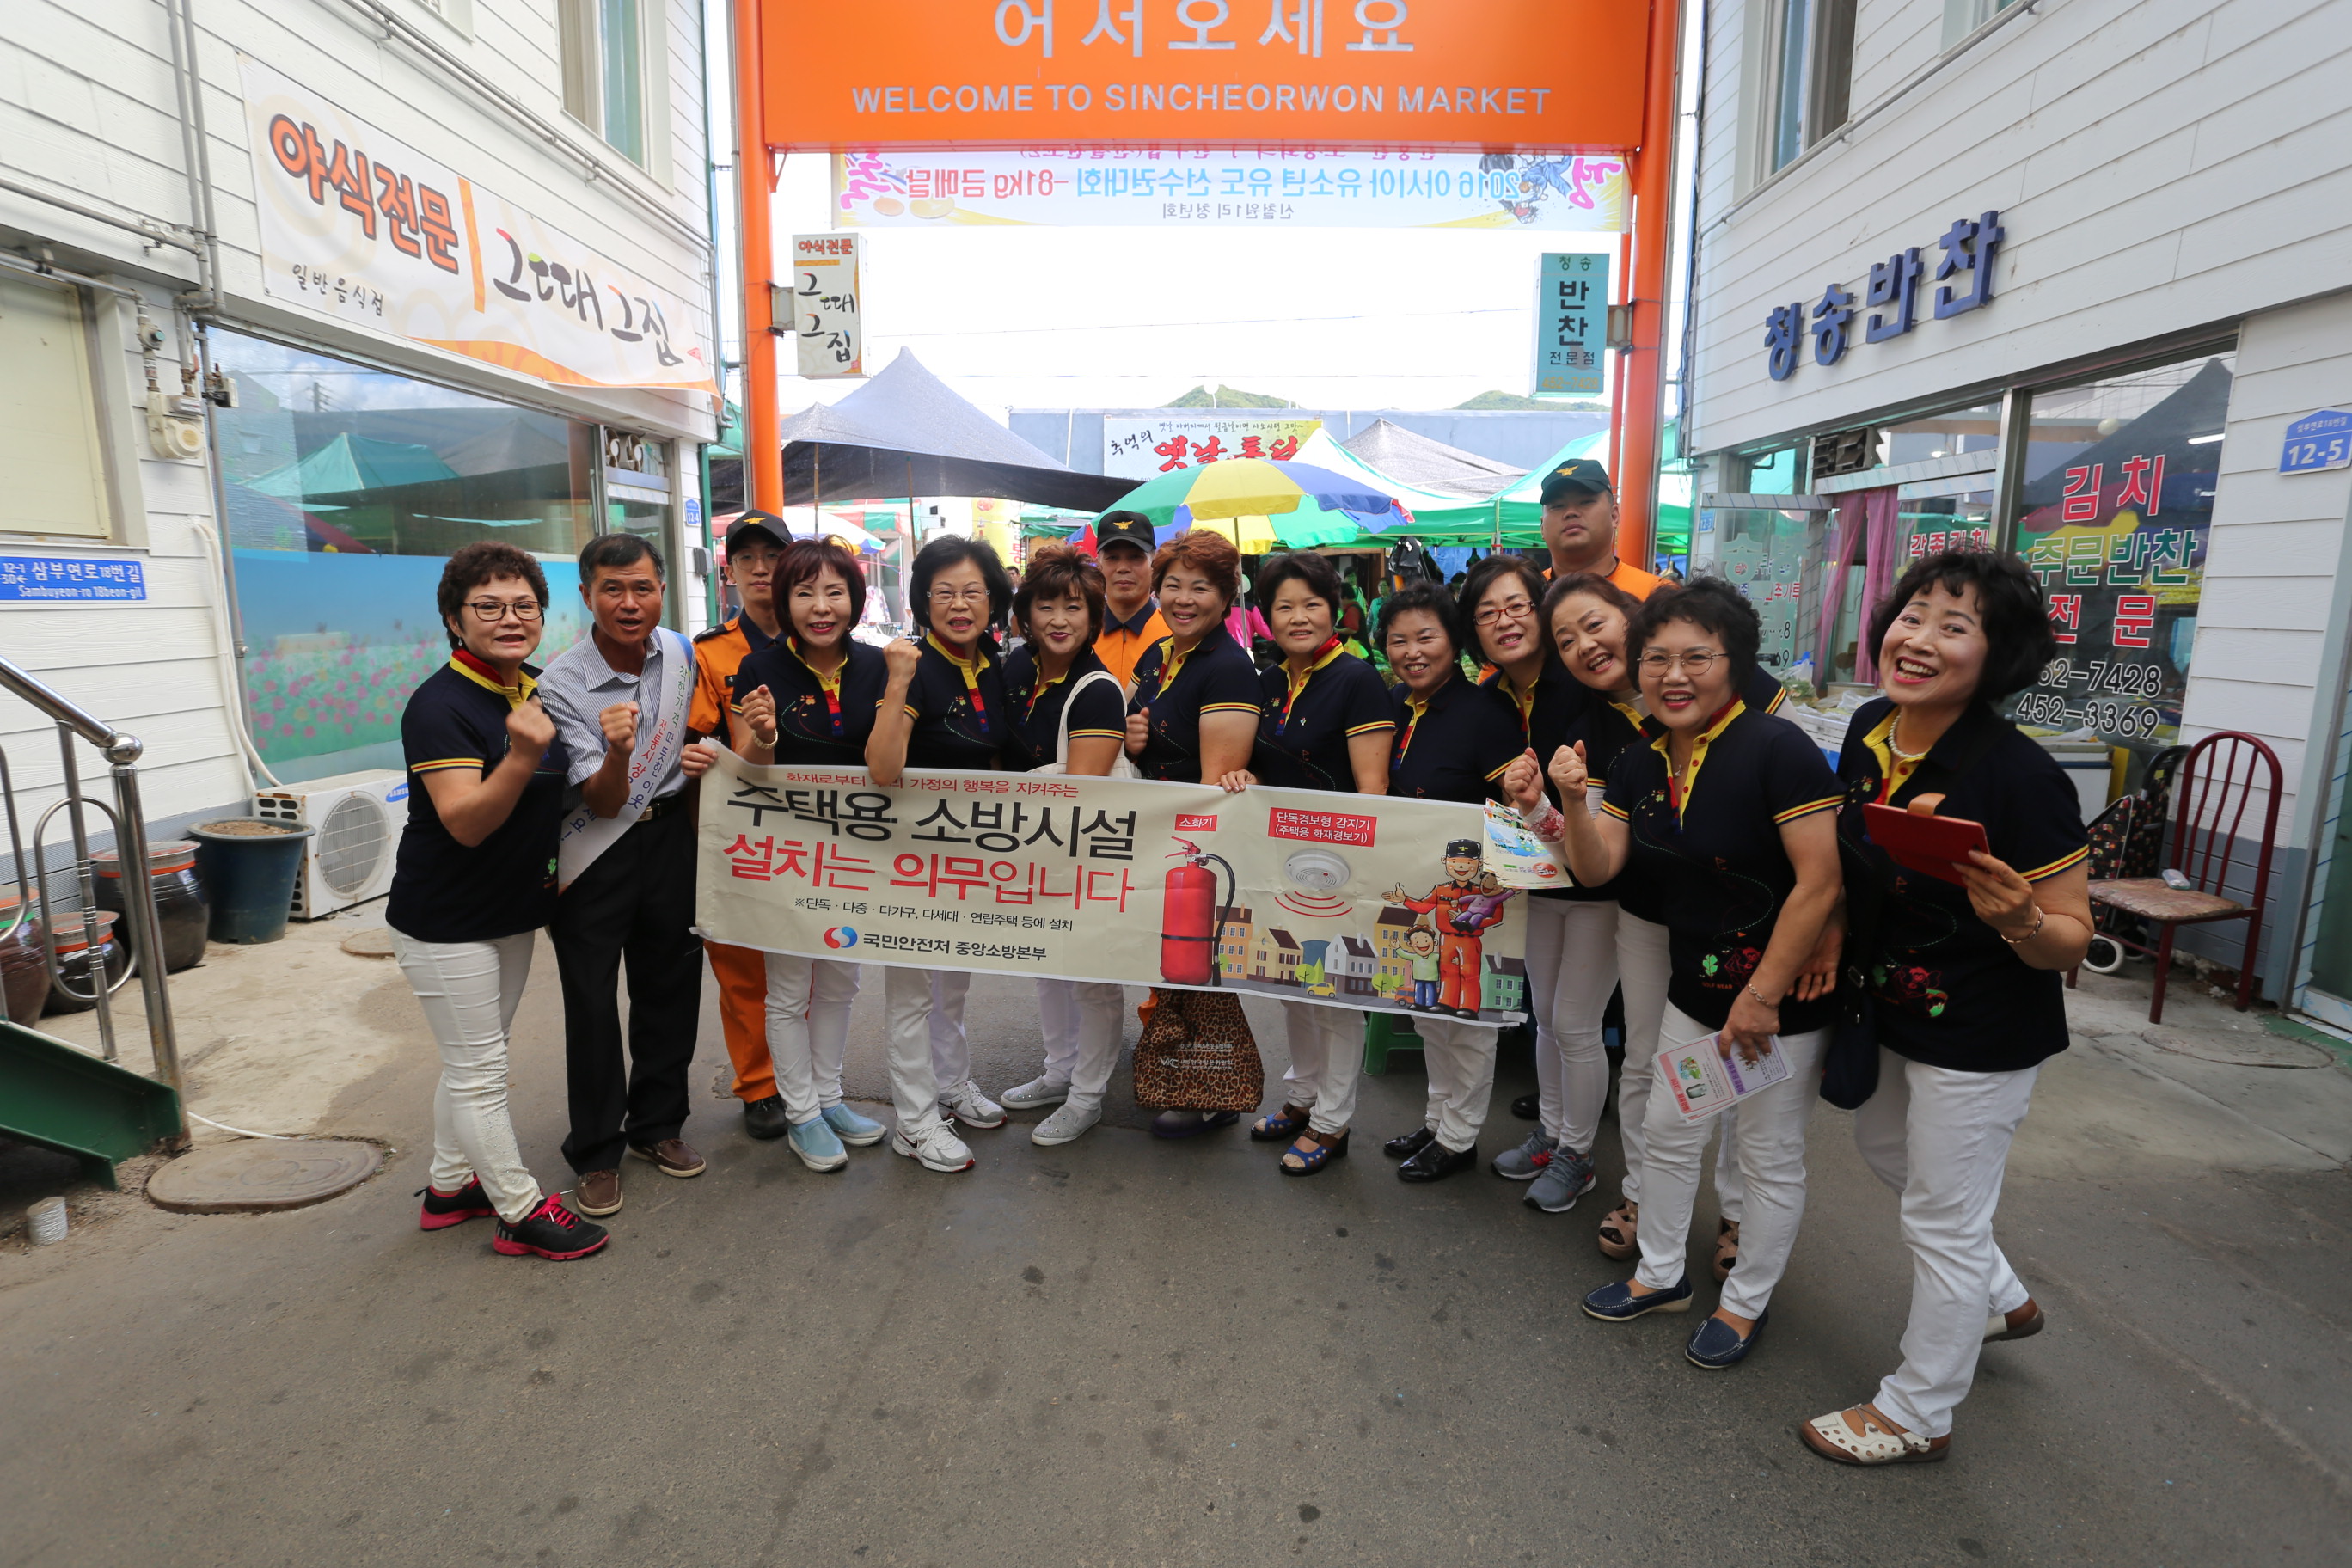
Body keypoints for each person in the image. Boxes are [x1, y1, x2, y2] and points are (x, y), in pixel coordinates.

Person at [1800, 550, 2092, 1467]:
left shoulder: (2023, 778)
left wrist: (2022, 918)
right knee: (1885, 1146)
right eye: (1913, 615)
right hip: (1891, 1002)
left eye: (1954, 627)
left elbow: (2071, 938)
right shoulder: (1870, 728)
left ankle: (1918, 1413)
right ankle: (2003, 1298)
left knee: (1943, 1219)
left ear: (1996, 657)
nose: (1919, 639)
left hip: (1983, 1028)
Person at [1511, 579, 1841, 1370]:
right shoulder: (1638, 761)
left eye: (1697, 657)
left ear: (1734, 662)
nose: (1674, 675)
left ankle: (1744, 1304)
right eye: (1656, 659)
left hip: (1777, 1001)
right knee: (1666, 1129)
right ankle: (1661, 1275)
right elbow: (1600, 868)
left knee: (1766, 1154)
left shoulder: (1776, 748)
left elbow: (1820, 881)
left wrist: (1762, 996)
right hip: (1695, 990)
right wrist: (1569, 801)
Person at [1542, 571, 1789, 1276]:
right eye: (1566, 640)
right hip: (1650, 916)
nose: (1585, 646)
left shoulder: (1741, 686)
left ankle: (1738, 1212)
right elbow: (1596, 855)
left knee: (1741, 1062)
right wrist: (1560, 801)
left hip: (1745, 921)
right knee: (1649, 1060)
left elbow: (1798, 810)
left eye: (1595, 624)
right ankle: (1644, 1195)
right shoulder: (1590, 726)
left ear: (1633, 618)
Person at [389, 543, 606, 1261]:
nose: (510, 619)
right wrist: (520, 757)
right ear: (455, 620)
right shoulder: (439, 706)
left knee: (474, 1059)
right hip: (447, 921)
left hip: (512, 909)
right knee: (480, 1071)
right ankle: (519, 1207)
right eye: (488, 606)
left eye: (524, 606)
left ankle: (451, 1186)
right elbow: (465, 822)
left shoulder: (538, 687)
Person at [538, 534, 717, 1220]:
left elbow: (703, 738)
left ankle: (657, 1125)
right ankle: (595, 1151)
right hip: (596, 851)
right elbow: (606, 800)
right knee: (590, 1002)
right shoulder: (560, 683)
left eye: (642, 587)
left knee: (670, 986)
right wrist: (618, 749)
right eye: (612, 589)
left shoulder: (681, 654)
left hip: (670, 839)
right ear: (587, 595)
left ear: (662, 591)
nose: (629, 602)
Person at [1216, 550, 1393, 1175]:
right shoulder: (1267, 682)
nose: (1298, 617)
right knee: (1291, 985)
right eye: (1284, 606)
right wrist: (1246, 775)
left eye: (1312, 604)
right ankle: (1302, 1096)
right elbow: (1262, 765)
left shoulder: (1357, 679)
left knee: (1334, 992)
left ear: (1335, 611)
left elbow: (1372, 790)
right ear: (1265, 616)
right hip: (1278, 861)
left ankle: (1332, 1122)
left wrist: (1353, 868)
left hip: (1338, 864)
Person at [727, 538, 892, 1174]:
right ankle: (800, 1113)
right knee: (790, 987)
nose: (821, 607)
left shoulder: (878, 665)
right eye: (804, 593)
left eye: (834, 592)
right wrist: (764, 735)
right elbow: (746, 769)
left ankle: (830, 1098)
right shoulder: (759, 668)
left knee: (842, 981)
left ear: (855, 598)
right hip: (789, 854)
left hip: (857, 853)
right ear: (784, 602)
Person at [866, 535, 1018, 1173]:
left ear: (993, 601)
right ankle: (914, 1121)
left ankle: (951, 1084)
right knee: (911, 993)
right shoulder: (914, 666)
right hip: (909, 860)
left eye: (972, 592)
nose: (960, 605)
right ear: (923, 602)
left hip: (969, 857)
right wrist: (900, 680)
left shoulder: (996, 666)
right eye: (945, 593)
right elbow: (882, 767)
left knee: (952, 984)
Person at [1461, 554, 1606, 1213]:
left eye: (1517, 605)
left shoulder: (1579, 683)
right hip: (1537, 879)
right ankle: (1551, 1134)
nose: (1505, 621)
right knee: (1544, 1016)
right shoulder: (1491, 696)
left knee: (1576, 1023)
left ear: (1542, 612)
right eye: (1487, 613)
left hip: (1599, 882)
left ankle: (1579, 1153)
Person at [1375, 580, 1525, 1182]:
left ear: (1454, 640)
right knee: (1428, 1012)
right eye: (1398, 640)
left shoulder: (1486, 713)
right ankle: (1437, 1120)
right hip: (1422, 897)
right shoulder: (1394, 704)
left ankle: (1460, 1139)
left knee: (1468, 1022)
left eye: (1426, 637)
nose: (1412, 652)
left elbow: (1514, 808)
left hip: (1474, 902)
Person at [1123, 528, 1263, 1137]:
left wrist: (1180, 851)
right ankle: (1177, 1072)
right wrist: (1134, 737)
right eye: (1173, 585)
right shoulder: (1160, 655)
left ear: (1227, 597)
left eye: (1201, 588)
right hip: (1156, 835)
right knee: (1169, 967)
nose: (1183, 599)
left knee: (1197, 969)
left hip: (1193, 847)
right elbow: (1138, 728)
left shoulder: (1228, 669)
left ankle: (1213, 1090)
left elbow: (1214, 787)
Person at [995, 542, 1133, 1147]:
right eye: (1045, 606)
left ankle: (1087, 1096)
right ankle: (1059, 1071)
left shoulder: (1096, 688)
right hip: (1031, 851)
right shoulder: (1017, 672)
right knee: (1047, 964)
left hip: (1083, 852)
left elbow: (1080, 791)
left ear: (1093, 616)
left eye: (1074, 607)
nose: (1059, 620)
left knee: (1093, 976)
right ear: (1025, 614)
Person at [686, 511, 797, 1144]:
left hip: (813, 831)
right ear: (729, 572)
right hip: (740, 830)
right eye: (747, 558)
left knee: (811, 958)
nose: (761, 569)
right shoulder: (708, 653)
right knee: (741, 963)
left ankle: (811, 1075)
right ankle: (759, 1085)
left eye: (773, 556)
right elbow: (698, 740)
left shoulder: (823, 641)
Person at [1539, 458, 1661, 601]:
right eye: (1558, 506)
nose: (1571, 512)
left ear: (1614, 516)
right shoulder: (1527, 596)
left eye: (1586, 502)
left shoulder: (1657, 596)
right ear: (1542, 527)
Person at [1090, 511, 1170, 689]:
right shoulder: (1082, 633)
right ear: (1099, 565)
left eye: (1135, 557)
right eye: (1112, 558)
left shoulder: (1175, 634)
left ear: (1153, 564)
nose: (1123, 568)